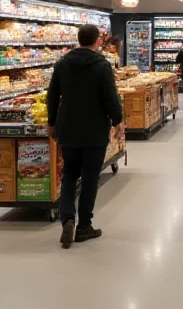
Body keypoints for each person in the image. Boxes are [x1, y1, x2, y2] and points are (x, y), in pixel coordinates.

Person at [46, 24, 124, 248]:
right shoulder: (101, 65)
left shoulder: (62, 63)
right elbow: (111, 96)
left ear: (78, 39)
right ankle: (83, 227)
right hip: (94, 129)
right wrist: (118, 120)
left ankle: (67, 219)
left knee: (70, 174)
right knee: (90, 177)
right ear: (98, 40)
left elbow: (53, 95)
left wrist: (51, 122)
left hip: (68, 127)